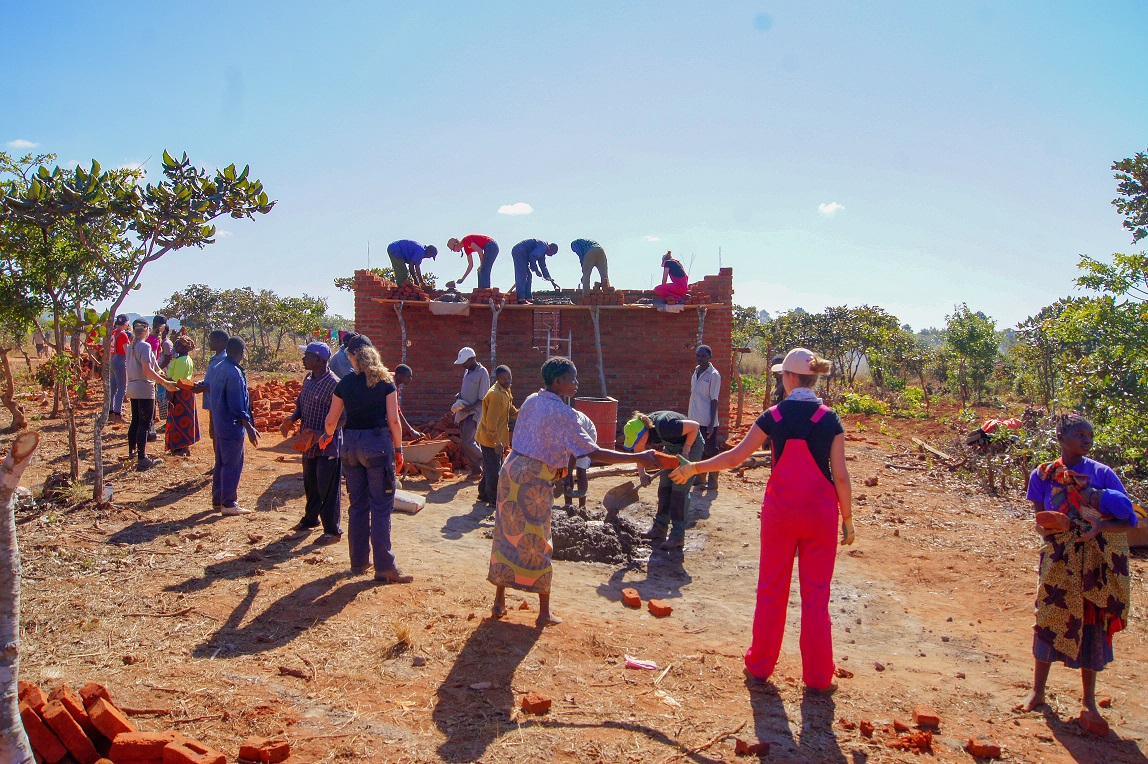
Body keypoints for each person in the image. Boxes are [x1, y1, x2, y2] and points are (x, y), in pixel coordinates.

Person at [670, 348, 854, 692]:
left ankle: (759, 667)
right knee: (816, 597)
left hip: (780, 514)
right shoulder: (830, 419)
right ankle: (817, 678)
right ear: (812, 378)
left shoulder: (774, 416)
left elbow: (736, 456)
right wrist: (848, 518)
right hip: (821, 515)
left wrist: (695, 467)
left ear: (788, 377)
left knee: (771, 590)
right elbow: (840, 476)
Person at [488, 356, 661, 626]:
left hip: (510, 472)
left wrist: (559, 475)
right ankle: (543, 613)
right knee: (538, 542)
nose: (577, 383)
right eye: (572, 378)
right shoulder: (565, 414)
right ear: (558, 381)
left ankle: (499, 603)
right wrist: (640, 458)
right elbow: (593, 452)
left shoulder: (533, 399)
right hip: (532, 481)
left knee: (507, 536)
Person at [1019, 414, 1135, 736]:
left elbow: (1129, 519)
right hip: (1058, 561)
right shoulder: (1043, 475)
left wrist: (1099, 526)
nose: (1087, 439)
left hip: (1096, 564)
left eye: (1090, 434)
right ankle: (1038, 693)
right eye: (1080, 434)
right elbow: (1040, 525)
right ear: (1060, 435)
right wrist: (1059, 526)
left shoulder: (1102, 474)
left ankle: (1089, 703)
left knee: (1092, 624)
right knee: (1048, 618)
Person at [320, 338, 411, 583]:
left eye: (349, 356)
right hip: (377, 448)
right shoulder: (385, 382)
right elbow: (394, 421)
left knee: (358, 505)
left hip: (350, 447)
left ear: (354, 356)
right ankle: (384, 567)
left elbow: (331, 421)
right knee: (381, 507)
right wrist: (399, 449)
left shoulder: (345, 383)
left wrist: (326, 437)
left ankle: (359, 561)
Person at [281, 342, 344, 545]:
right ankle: (310, 519)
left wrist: (323, 433)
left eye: (307, 356)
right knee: (311, 482)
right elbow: (301, 404)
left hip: (327, 443)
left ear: (320, 360)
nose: (303, 359)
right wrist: (292, 418)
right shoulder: (308, 378)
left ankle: (332, 529)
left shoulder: (334, 384)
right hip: (308, 442)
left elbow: (343, 417)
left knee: (328, 486)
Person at [622, 410, 705, 550]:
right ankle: (659, 529)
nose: (637, 444)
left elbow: (695, 426)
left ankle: (677, 537)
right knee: (665, 487)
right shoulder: (641, 426)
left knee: (679, 491)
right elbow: (639, 454)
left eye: (637, 440)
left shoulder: (666, 426)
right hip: (672, 448)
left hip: (692, 445)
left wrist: (685, 452)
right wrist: (642, 474)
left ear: (645, 433)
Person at [205, 337, 260, 516]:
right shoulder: (234, 372)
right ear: (241, 353)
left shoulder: (217, 367)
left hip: (220, 423)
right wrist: (249, 427)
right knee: (232, 464)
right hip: (232, 425)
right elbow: (237, 405)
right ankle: (228, 503)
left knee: (221, 462)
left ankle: (218, 499)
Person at [125, 319, 177, 471]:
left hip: (133, 386)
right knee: (145, 423)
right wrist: (165, 383)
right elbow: (148, 370)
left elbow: (153, 366)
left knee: (135, 420)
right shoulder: (145, 346)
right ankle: (142, 459)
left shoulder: (131, 346)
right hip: (144, 387)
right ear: (146, 330)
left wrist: (160, 375)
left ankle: (132, 452)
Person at [476, 365, 517, 509]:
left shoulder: (505, 391)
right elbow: (491, 423)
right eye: (504, 378)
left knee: (490, 466)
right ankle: (493, 499)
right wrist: (497, 443)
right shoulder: (496, 395)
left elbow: (509, 410)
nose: (507, 381)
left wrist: (522, 413)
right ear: (497, 379)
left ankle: (483, 493)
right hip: (490, 439)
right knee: (494, 469)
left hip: (495, 437)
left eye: (509, 378)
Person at [453, 346, 490, 485]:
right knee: (465, 441)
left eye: (464, 362)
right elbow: (467, 390)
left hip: (474, 412)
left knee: (468, 441)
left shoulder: (482, 372)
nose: (463, 365)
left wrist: (470, 408)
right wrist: (459, 397)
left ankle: (486, 462)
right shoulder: (467, 372)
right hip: (463, 410)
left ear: (472, 359)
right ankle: (476, 471)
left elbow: (483, 397)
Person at [689, 344, 723, 490]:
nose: (700, 358)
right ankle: (701, 478)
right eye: (698, 355)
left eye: (703, 356)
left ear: (710, 357)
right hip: (694, 419)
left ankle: (713, 480)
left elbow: (714, 400)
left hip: (707, 420)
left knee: (711, 450)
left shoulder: (713, 375)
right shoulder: (696, 371)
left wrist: (711, 423)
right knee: (699, 449)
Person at [164, 333, 200, 457]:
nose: (176, 346)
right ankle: (182, 445)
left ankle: (180, 446)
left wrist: (165, 379)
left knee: (179, 419)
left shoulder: (180, 361)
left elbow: (176, 378)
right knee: (186, 418)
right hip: (186, 391)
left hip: (179, 391)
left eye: (179, 344)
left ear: (185, 348)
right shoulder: (187, 359)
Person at [148, 316, 172, 435]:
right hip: (152, 373)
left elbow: (166, 358)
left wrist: (158, 370)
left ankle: (152, 427)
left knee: (158, 398)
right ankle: (150, 428)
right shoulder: (154, 340)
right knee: (155, 399)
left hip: (154, 372)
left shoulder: (155, 339)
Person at [109, 315, 132, 421]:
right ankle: (118, 413)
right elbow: (127, 351)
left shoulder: (113, 333)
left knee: (113, 387)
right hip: (120, 359)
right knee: (122, 387)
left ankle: (111, 411)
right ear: (125, 323)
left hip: (113, 358)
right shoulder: (123, 335)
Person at [393, 364, 423, 439]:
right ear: (399, 376)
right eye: (408, 377)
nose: (410, 379)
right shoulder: (391, 385)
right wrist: (411, 431)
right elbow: (396, 411)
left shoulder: (395, 380)